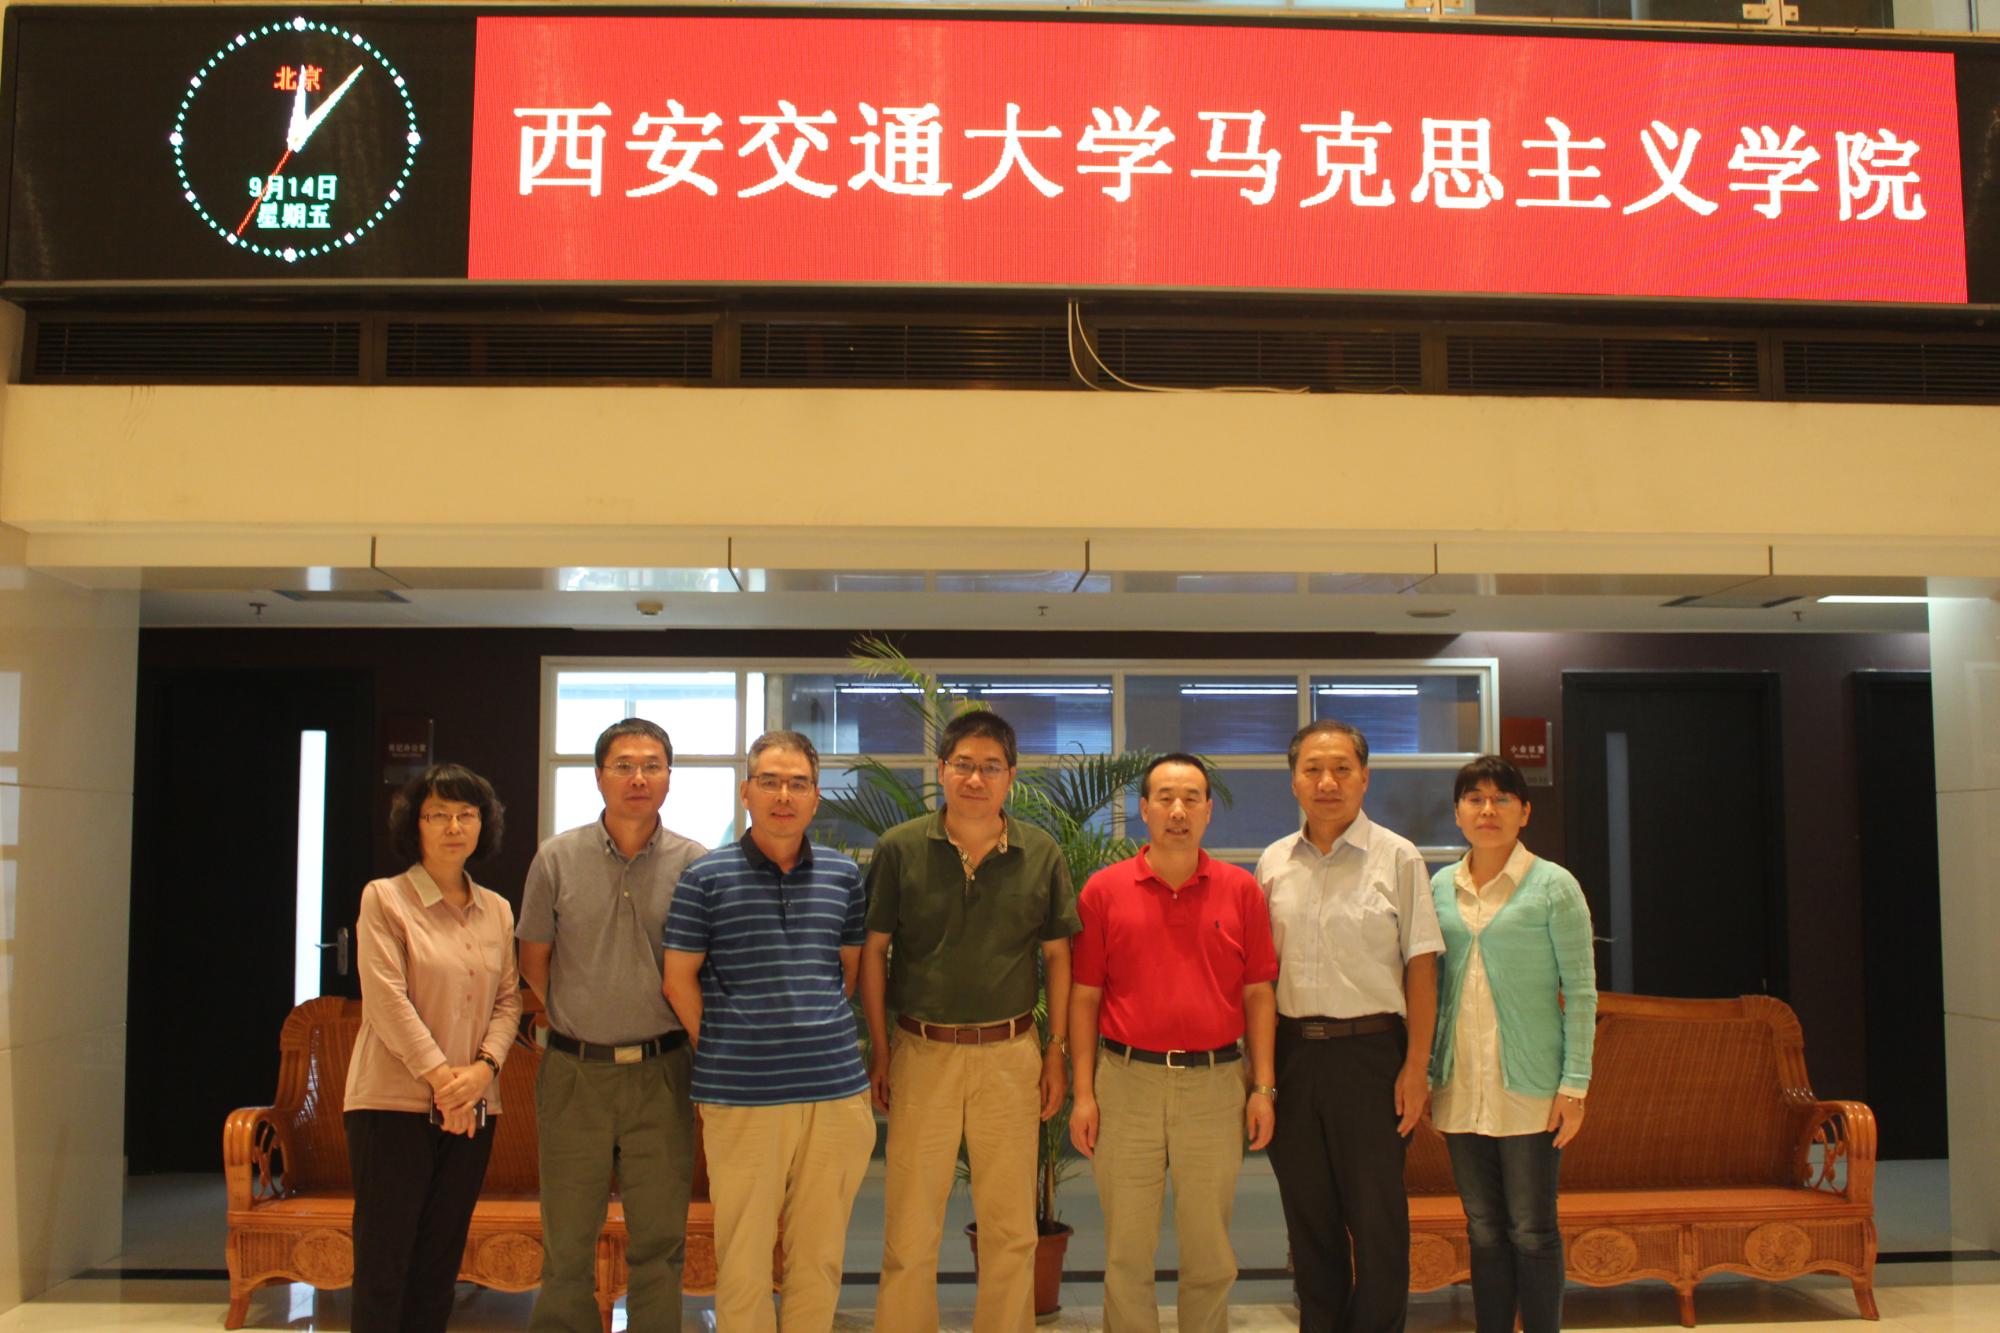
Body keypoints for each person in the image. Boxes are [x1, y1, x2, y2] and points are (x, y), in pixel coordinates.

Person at [860, 709, 1081, 1333]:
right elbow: (873, 952)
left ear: (1011, 776)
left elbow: (1058, 956)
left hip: (1011, 1053)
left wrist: (1055, 1050)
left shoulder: (1040, 852)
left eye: (990, 767)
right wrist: (881, 1050)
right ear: (942, 770)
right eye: (963, 765)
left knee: (1010, 1227)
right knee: (910, 1223)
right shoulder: (901, 848)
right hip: (920, 1049)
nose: (976, 779)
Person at [662, 731, 876, 1332]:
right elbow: (678, 982)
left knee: (820, 1256)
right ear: (746, 792)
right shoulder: (704, 877)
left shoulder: (843, 876)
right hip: (741, 1096)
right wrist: (729, 1045)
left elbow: (847, 972)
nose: (784, 795)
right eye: (771, 782)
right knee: (744, 1258)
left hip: (835, 1093)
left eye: (798, 784)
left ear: (816, 797)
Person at [1069, 753, 1279, 1333]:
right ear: (1143, 810)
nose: (1178, 811)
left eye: (1191, 799)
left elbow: (1259, 994)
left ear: (1209, 810)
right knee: (1126, 1252)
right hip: (1125, 1083)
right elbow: (1084, 997)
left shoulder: (1240, 890)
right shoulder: (1104, 891)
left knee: (1210, 1252)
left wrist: (1262, 1087)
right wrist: (1083, 1094)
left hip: (1216, 1084)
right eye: (1164, 798)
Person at [517, 718, 706, 1333]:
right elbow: (533, 962)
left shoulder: (696, 865)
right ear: (599, 776)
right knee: (567, 1243)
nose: (638, 778)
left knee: (660, 1241)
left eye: (652, 765)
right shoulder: (556, 858)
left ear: (669, 778)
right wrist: (580, 1017)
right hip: (576, 1073)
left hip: (664, 1072)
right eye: (624, 765)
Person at [1257, 719, 1443, 1333]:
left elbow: (1421, 968)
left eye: (1341, 768)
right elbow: (1259, 978)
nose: (1327, 781)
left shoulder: (1399, 857)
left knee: (1377, 1220)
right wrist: (1261, 1078)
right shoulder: (1273, 862)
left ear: (1365, 777)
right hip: (1293, 1057)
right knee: (1309, 1220)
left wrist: (1416, 1067)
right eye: (1312, 769)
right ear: (1293, 782)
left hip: (1372, 1057)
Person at [343, 763, 521, 1333]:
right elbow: (387, 1002)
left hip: (473, 1108)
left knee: (440, 1262)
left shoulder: (497, 909)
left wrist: (483, 1072)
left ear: (483, 824)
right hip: (391, 1105)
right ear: (414, 824)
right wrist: (446, 1082)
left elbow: (509, 1001)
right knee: (384, 1260)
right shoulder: (385, 899)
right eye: (438, 815)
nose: (453, 827)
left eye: (466, 814)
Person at [1427, 755, 1597, 1333]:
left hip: (1531, 1088)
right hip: (1460, 1084)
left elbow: (1581, 992)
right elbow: (1431, 988)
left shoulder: (1553, 885)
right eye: (1474, 799)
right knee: (1482, 1228)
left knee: (1531, 1228)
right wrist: (1426, 1073)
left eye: (1502, 799)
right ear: (1457, 813)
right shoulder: (1439, 887)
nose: (1488, 810)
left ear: (1524, 812)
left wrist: (1574, 1086)